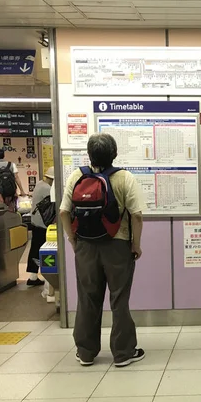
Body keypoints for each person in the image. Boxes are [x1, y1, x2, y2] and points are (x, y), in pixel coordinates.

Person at [59, 133, 145, 367]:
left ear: (89, 154)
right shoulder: (124, 177)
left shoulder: (76, 176)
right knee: (119, 299)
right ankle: (123, 353)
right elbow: (136, 215)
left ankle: (86, 352)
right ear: (114, 154)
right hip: (118, 246)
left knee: (87, 299)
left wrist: (73, 240)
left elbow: (64, 212)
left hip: (86, 246)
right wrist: (136, 244)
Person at [26, 167, 54, 287]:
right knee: (43, 250)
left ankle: (33, 275)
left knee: (35, 248)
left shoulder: (39, 184)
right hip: (42, 223)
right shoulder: (47, 189)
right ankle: (45, 277)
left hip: (36, 222)